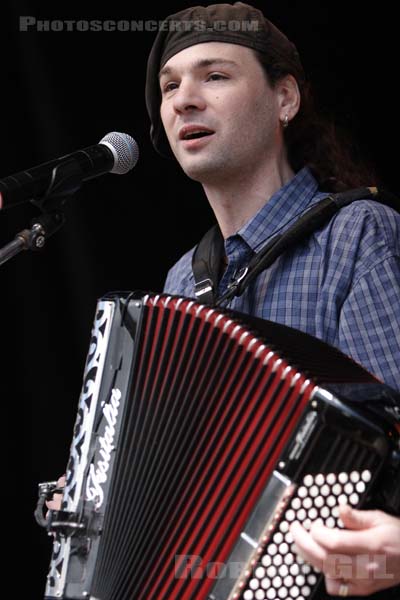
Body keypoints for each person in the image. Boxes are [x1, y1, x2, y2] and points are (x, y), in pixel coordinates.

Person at [143, 2, 400, 598]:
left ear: (285, 99)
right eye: (169, 85)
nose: (184, 100)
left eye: (215, 76)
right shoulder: (181, 283)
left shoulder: (358, 236)